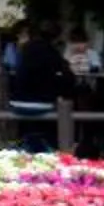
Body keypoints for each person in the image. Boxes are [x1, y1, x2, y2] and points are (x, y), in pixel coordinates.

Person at [11, 22, 72, 151]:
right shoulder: (51, 53)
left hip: (17, 102)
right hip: (42, 104)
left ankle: (27, 145)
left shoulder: (24, 51)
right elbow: (68, 78)